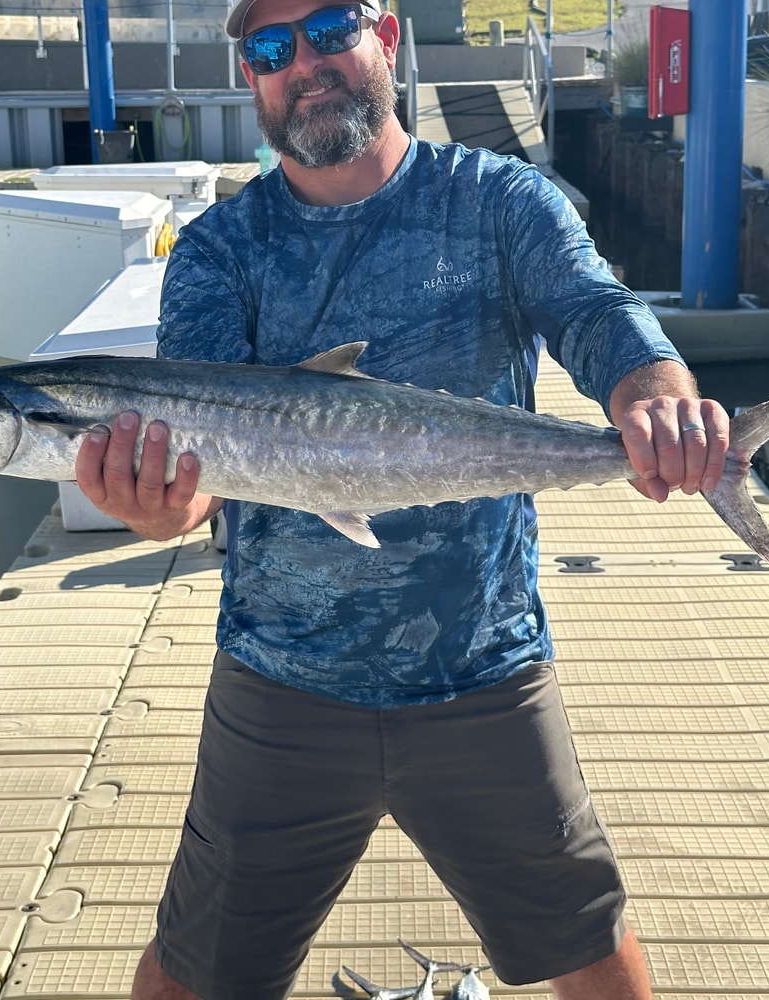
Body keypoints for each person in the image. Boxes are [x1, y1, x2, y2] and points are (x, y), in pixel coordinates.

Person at [75, 2, 729, 998]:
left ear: (384, 31)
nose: (303, 63)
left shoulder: (500, 200)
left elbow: (598, 312)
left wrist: (656, 400)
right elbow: (196, 470)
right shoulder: (219, 250)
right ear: (247, 76)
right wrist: (160, 508)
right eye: (268, 47)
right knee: (190, 975)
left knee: (591, 952)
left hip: (485, 668)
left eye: (330, 26)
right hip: (279, 681)